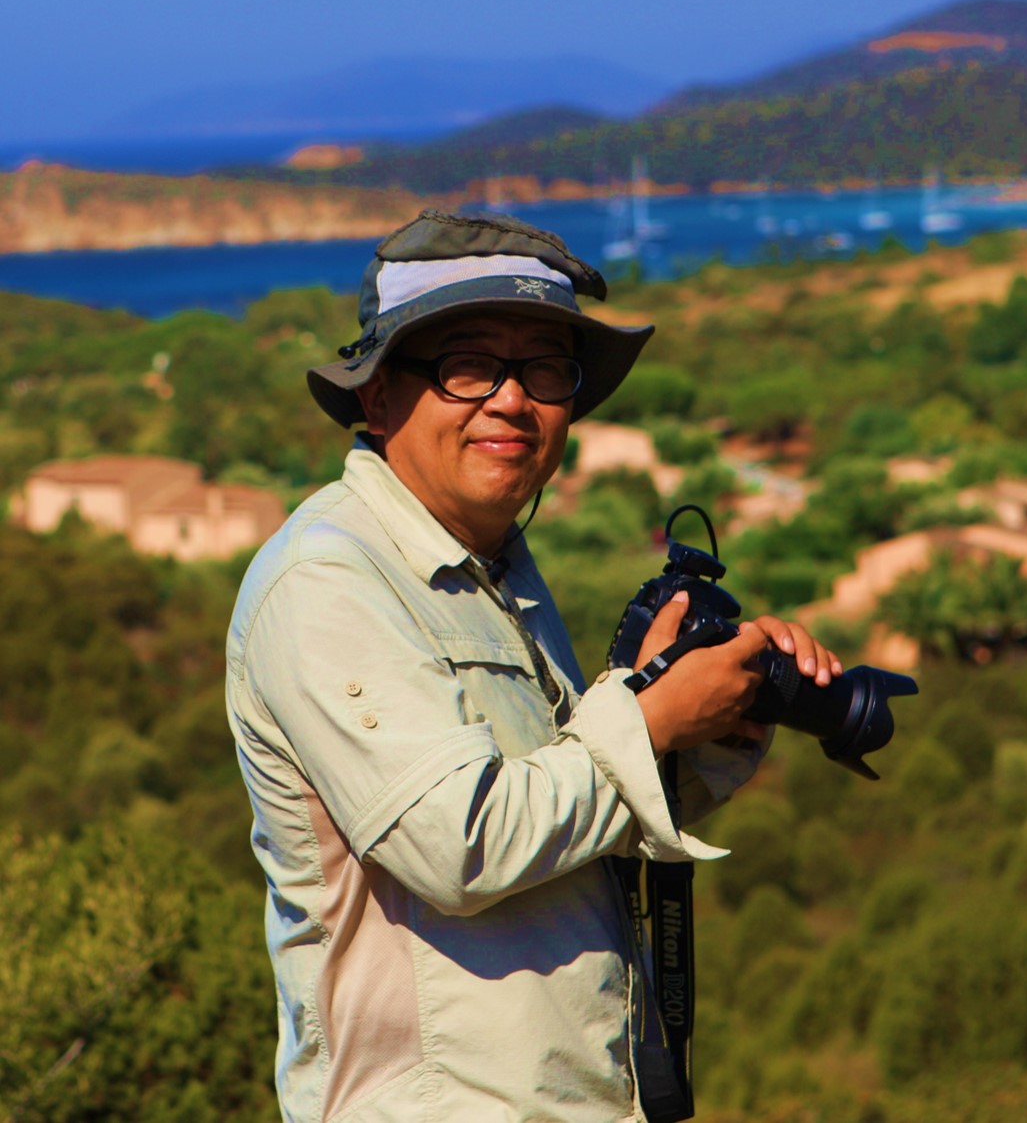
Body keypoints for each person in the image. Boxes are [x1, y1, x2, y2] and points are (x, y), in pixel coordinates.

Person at [226, 209, 840, 1122]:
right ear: (378, 395)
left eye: (546, 368)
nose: (512, 400)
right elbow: (461, 846)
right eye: (467, 363)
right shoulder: (329, 580)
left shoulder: (495, 564)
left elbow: (563, 825)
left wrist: (714, 714)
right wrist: (651, 717)